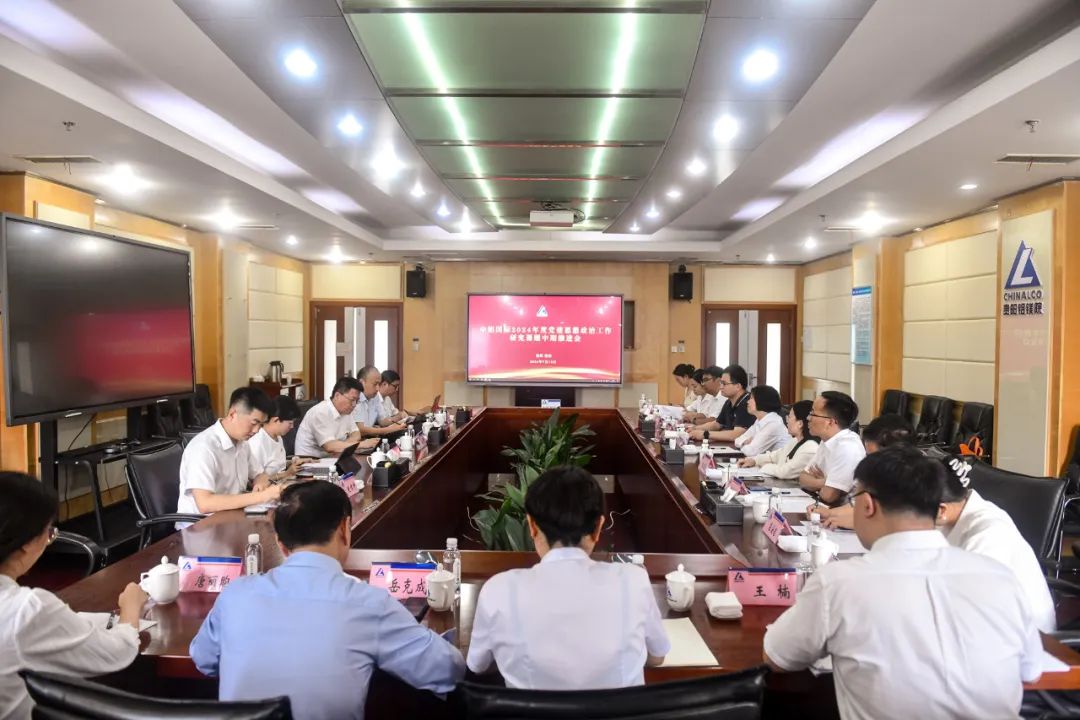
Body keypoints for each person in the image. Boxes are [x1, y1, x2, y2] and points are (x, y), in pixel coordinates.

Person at [764, 447, 1043, 720]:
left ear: (867, 505)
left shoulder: (838, 583)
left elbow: (777, 657)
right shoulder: (1001, 578)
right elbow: (1030, 671)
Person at [191, 480, 464, 720]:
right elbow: (446, 670)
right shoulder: (368, 603)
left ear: (280, 543)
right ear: (345, 529)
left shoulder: (235, 595)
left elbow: (203, 659)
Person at [467, 466, 669, 689]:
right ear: (598, 528)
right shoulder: (633, 582)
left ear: (532, 526)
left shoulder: (498, 590)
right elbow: (657, 657)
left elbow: (478, 665)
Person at [1, 472, 147, 720]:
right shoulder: (26, 609)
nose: (49, 540)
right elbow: (116, 653)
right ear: (26, 543)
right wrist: (130, 608)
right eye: (49, 532)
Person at [938, 455, 1057, 633]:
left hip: (1025, 636)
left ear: (941, 510)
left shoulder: (988, 534)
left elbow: (965, 606)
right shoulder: (953, 512)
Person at [178, 387, 282, 517]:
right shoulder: (203, 447)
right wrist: (261, 496)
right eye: (254, 423)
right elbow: (205, 503)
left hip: (232, 516)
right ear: (233, 414)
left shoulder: (242, 443)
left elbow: (260, 475)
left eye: (260, 425)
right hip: (200, 524)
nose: (256, 430)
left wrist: (260, 483)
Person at [813, 413, 915, 528]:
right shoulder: (875, 470)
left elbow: (901, 519)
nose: (871, 461)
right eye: (868, 455)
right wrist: (828, 513)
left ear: (897, 451)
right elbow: (856, 505)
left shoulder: (917, 477)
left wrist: (857, 521)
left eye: (875, 456)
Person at [798, 391, 864, 505]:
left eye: (813, 413)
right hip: (826, 507)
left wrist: (820, 484)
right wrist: (825, 482)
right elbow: (803, 478)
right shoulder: (827, 440)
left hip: (842, 512)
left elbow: (829, 496)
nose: (808, 418)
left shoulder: (848, 447)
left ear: (830, 422)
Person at [737, 400, 819, 480]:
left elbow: (784, 472)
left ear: (800, 424)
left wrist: (763, 466)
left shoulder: (810, 447)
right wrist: (754, 461)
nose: (787, 420)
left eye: (789, 417)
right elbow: (774, 456)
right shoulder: (795, 441)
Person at [294, 377, 373, 458]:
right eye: (352, 400)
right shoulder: (320, 412)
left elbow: (356, 433)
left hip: (332, 457)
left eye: (357, 401)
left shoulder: (346, 411)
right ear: (337, 395)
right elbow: (330, 446)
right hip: (310, 460)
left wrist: (343, 446)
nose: (354, 405)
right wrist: (360, 444)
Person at [689, 365, 754, 442]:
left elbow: (736, 435)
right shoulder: (729, 402)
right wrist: (694, 429)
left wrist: (705, 434)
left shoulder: (747, 403)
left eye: (724, 383)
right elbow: (717, 424)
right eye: (721, 383)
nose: (721, 387)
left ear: (738, 386)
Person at [248, 395, 305, 482]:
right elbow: (256, 480)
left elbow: (275, 464)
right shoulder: (257, 442)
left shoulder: (278, 437)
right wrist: (286, 473)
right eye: (290, 423)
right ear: (276, 420)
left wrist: (293, 462)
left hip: (284, 482)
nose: (292, 427)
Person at [733, 385, 790, 457]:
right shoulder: (760, 420)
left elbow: (750, 452)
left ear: (762, 401)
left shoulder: (773, 424)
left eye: (751, 398)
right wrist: (746, 442)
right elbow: (737, 440)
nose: (748, 401)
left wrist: (747, 442)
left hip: (781, 462)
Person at [352, 366, 407, 439]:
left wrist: (397, 424)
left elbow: (382, 421)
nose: (378, 388)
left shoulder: (375, 397)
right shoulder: (355, 399)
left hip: (371, 438)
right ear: (362, 383)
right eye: (375, 384)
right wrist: (388, 430)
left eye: (379, 384)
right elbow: (361, 430)